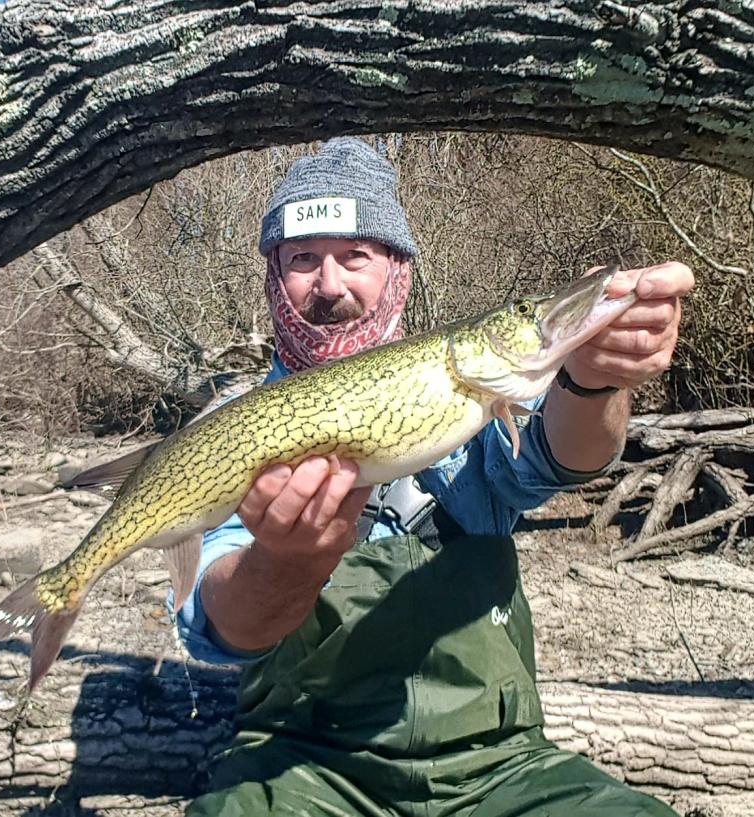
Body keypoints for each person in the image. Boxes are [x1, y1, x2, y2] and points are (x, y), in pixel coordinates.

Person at [174, 137, 694, 816]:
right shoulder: (226, 427)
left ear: (398, 270)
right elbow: (217, 627)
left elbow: (568, 455)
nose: (329, 286)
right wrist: (283, 564)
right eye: (304, 259)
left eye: (355, 256)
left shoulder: (469, 387)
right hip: (303, 765)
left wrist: (594, 377)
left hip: (498, 768)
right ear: (275, 274)